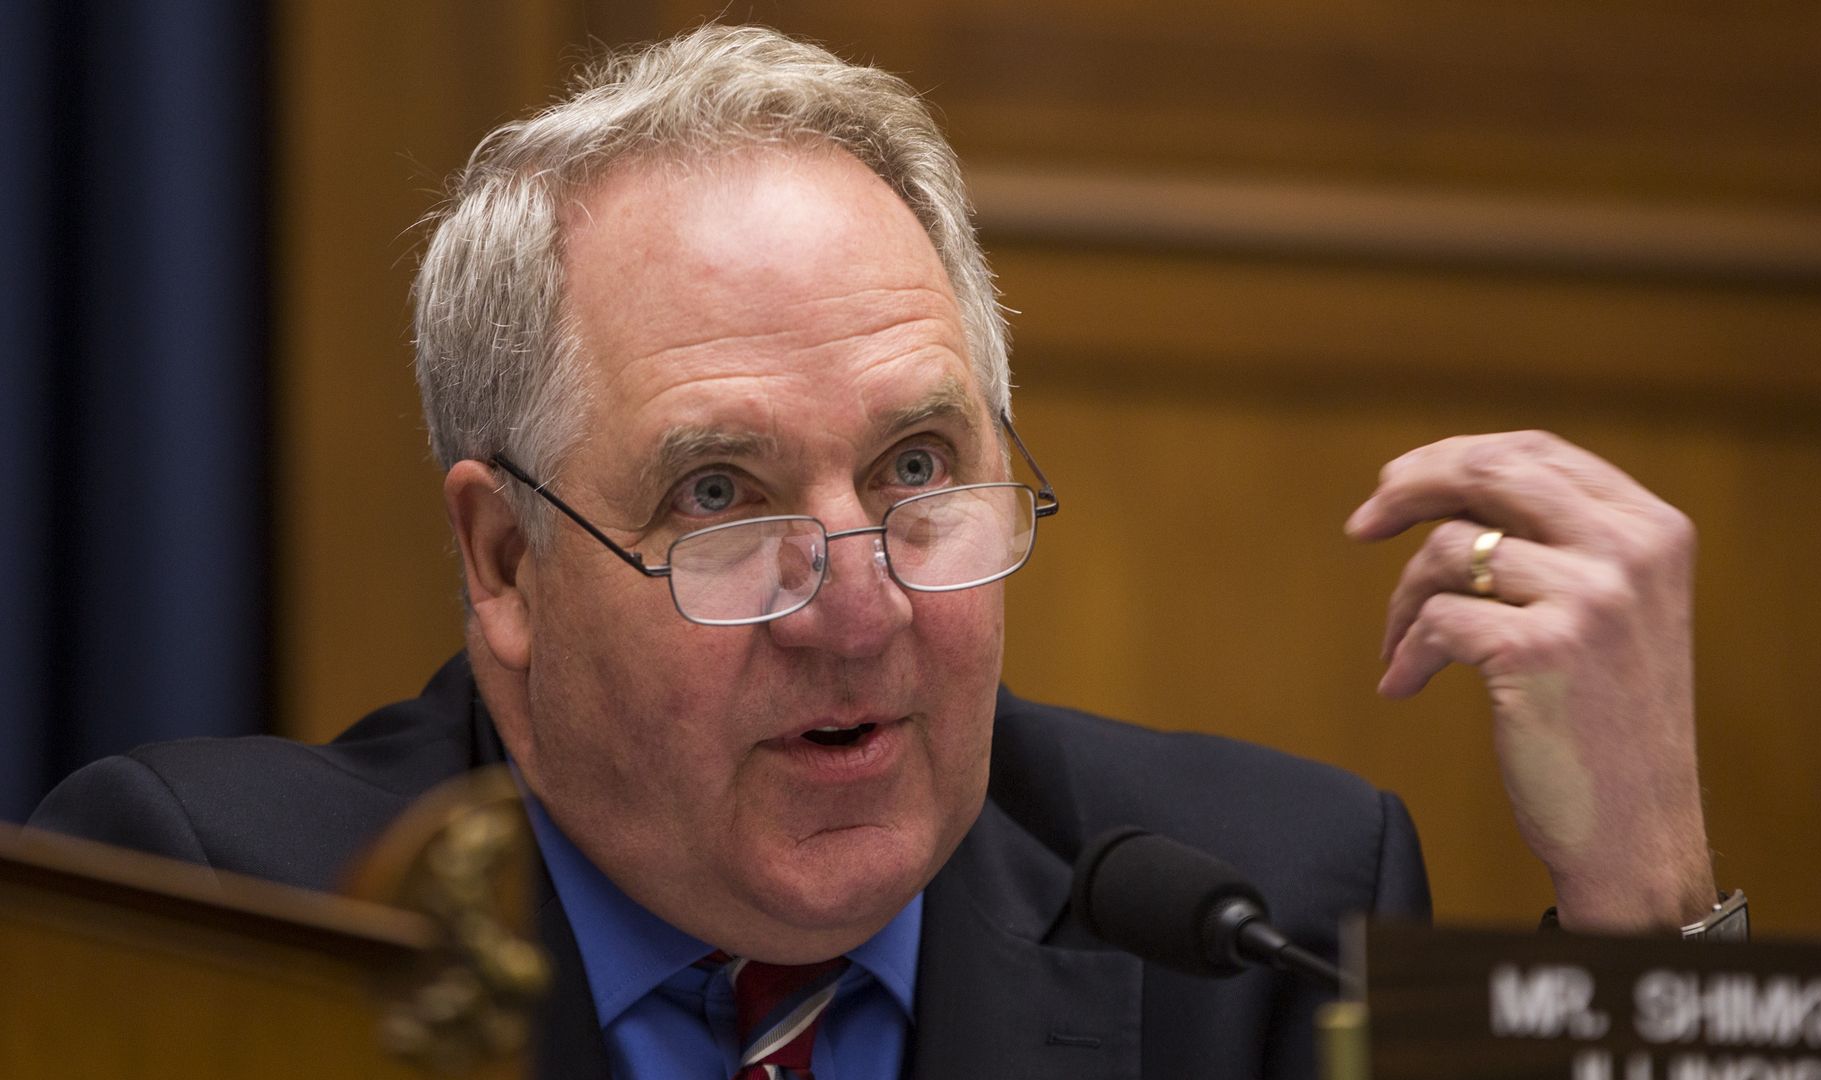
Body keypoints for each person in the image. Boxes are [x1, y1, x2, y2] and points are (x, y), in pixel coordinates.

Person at [30, 24, 1728, 1079]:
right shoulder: (231, 922)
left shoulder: (1254, 917)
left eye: (920, 467)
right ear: (501, 561)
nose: (860, 602)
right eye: (719, 495)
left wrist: (1645, 928)